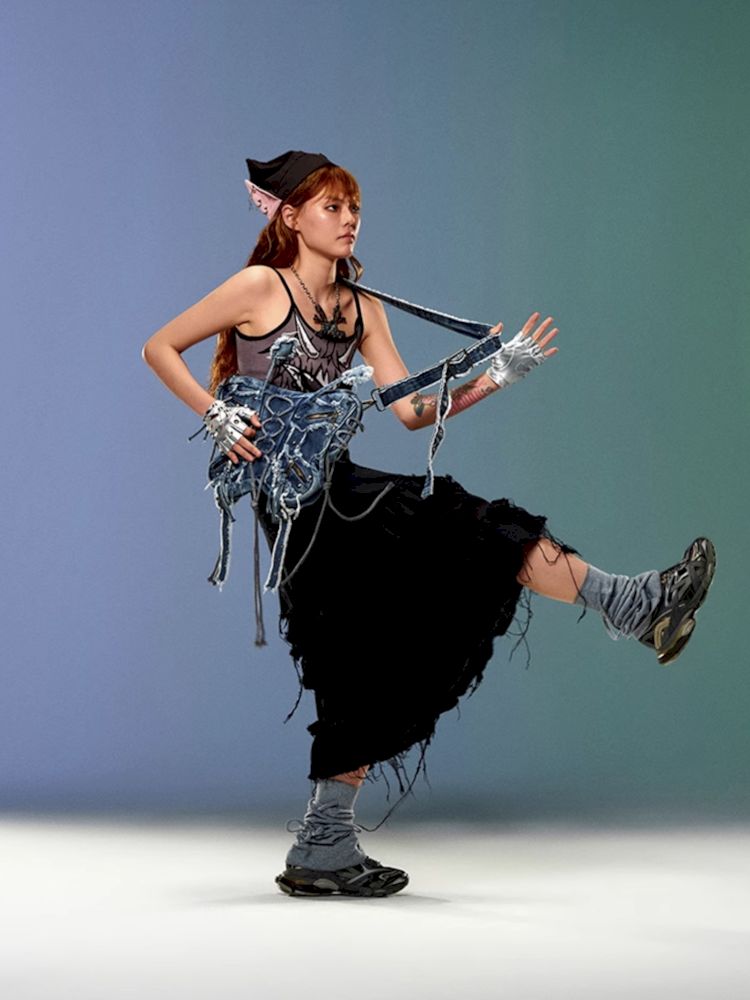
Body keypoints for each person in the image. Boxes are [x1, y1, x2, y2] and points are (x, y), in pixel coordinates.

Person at [142, 149, 717, 899]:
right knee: (357, 646)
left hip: (345, 488)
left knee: (449, 562)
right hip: (296, 506)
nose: (349, 219)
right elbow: (160, 346)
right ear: (291, 217)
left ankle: (633, 605)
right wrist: (215, 413)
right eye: (332, 206)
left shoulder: (362, 307)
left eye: (354, 207)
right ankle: (323, 845)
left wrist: (492, 379)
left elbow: (410, 412)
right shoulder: (259, 287)